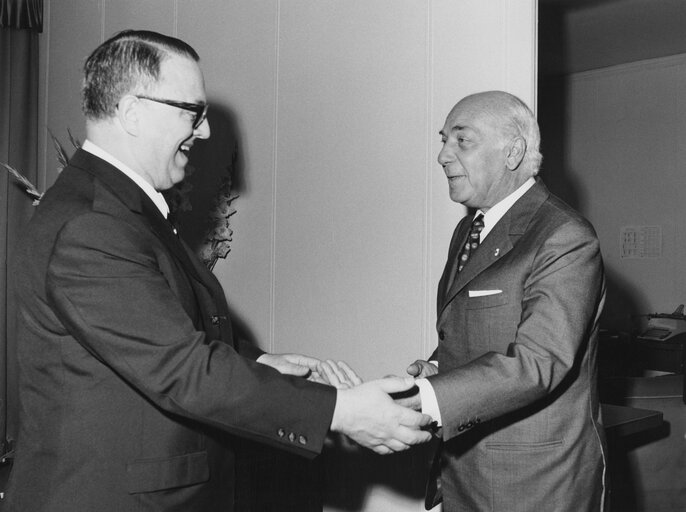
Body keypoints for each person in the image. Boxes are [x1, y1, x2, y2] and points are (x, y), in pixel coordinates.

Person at [2, 30, 432, 512]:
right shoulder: (93, 224)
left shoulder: (116, 208)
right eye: (192, 112)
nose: (203, 131)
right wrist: (343, 411)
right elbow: (181, 369)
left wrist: (256, 363)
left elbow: (153, 333)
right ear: (131, 112)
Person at [406, 90, 608, 511]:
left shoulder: (564, 235)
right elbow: (484, 331)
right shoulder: (469, 231)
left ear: (513, 152)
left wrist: (427, 396)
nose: (442, 155)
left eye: (462, 140)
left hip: (535, 483)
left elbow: (539, 362)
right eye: (443, 140)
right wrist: (442, 365)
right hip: (465, 471)